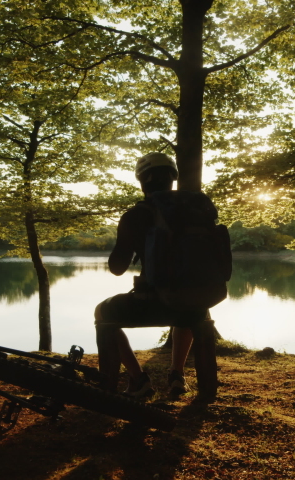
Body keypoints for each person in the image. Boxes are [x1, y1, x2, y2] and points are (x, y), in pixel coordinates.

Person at [94, 152, 212, 399]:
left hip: (152, 303)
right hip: (197, 303)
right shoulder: (198, 210)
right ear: (172, 179)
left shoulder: (136, 215)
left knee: (103, 312)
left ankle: (138, 380)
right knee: (187, 299)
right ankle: (177, 375)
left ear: (142, 180)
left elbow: (117, 268)